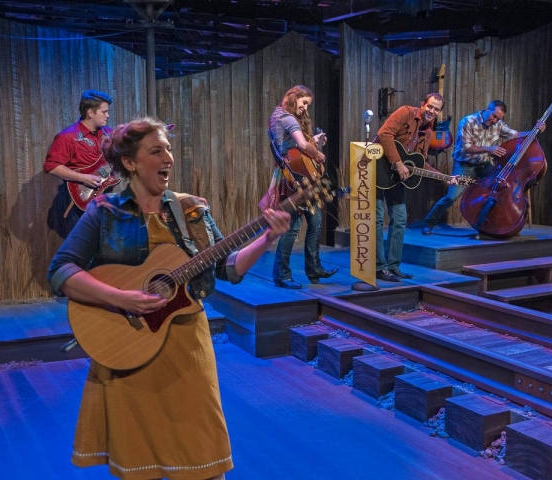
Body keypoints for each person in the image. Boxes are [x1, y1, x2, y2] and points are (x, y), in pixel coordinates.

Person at [47, 117, 290, 480]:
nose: (169, 158)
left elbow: (227, 268)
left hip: (187, 349)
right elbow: (61, 271)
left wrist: (266, 238)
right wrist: (121, 297)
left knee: (205, 458)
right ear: (130, 162)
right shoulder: (105, 212)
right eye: (156, 151)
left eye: (170, 150)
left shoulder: (192, 209)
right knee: (139, 464)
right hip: (128, 346)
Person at [422, 100, 545, 235]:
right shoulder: (468, 121)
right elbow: (466, 148)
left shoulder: (498, 124)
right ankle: (429, 223)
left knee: (502, 188)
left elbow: (515, 135)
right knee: (451, 196)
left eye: (498, 118)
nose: (494, 120)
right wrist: (488, 149)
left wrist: (535, 130)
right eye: (493, 116)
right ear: (487, 109)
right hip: (465, 165)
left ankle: (492, 225)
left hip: (484, 165)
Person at [375, 93, 457, 282]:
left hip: (396, 176)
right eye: (430, 106)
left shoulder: (428, 133)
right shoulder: (406, 112)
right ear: (423, 104)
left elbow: (420, 163)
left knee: (400, 218)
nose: (432, 111)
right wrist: (397, 162)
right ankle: (379, 268)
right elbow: (384, 134)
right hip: (378, 167)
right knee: (378, 219)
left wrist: (445, 178)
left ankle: (393, 267)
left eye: (436, 109)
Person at [268, 85, 338, 289]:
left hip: (291, 173)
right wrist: (316, 152)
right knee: (292, 227)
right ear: (294, 97)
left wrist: (313, 141)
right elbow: (300, 144)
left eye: (308, 104)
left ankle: (314, 268)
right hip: (294, 177)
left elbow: (291, 143)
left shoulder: (277, 115)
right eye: (304, 103)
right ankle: (281, 275)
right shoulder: (287, 118)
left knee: (315, 220)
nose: (306, 108)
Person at [45, 89, 114, 238]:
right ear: (90, 112)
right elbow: (52, 166)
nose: (108, 115)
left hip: (105, 198)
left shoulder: (109, 133)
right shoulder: (67, 137)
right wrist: (83, 178)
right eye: (104, 112)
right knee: (82, 251)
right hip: (79, 200)